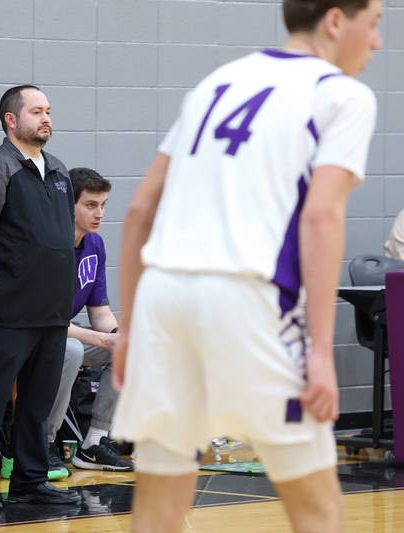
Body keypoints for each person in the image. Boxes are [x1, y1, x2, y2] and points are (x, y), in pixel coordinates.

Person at [110, 1, 382, 532]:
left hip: (165, 296)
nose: (376, 42)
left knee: (161, 505)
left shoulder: (217, 81)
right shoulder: (341, 95)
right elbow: (322, 217)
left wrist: (129, 330)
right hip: (249, 296)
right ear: (334, 21)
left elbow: (141, 208)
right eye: (373, 25)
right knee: (319, 507)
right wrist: (322, 352)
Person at [0, 85, 82, 510]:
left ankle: (31, 478)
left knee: (37, 402)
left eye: (48, 111)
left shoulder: (60, 171)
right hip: (6, 310)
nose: (46, 118)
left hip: (52, 310)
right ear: (11, 120)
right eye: (36, 111)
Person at [42, 167, 132, 473]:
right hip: (35, 335)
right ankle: (45, 442)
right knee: (73, 350)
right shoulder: (48, 245)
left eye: (103, 205)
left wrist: (119, 334)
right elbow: (47, 319)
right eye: (91, 205)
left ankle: (94, 443)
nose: (100, 213)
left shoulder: (95, 245)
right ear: (70, 205)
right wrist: (101, 339)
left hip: (63, 334)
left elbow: (100, 312)